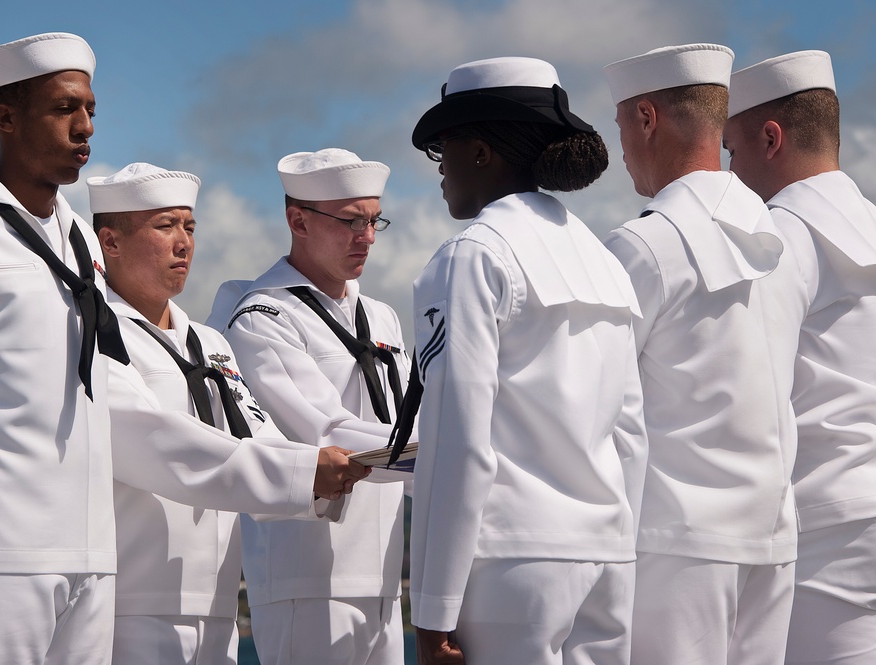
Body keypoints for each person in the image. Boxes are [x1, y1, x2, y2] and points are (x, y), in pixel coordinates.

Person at [0, 33, 363, 665]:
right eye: (63, 110)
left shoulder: (79, 241)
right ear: (4, 118)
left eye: (91, 111)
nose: (84, 128)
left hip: (92, 556)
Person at [401, 56, 647, 665]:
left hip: (508, 564)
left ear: (481, 153)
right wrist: (618, 542)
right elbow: (632, 434)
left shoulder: (471, 255)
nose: (440, 172)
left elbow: (459, 441)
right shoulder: (604, 260)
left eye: (445, 151)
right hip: (605, 556)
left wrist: (432, 608)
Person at [90, 163, 366, 664]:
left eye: (189, 228)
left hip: (216, 604)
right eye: (165, 226)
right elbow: (157, 443)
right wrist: (306, 472)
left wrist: (331, 467)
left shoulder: (209, 342)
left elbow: (257, 435)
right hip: (131, 604)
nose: (183, 243)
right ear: (110, 241)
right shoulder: (95, 338)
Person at [602, 44, 809, 664]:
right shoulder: (781, 238)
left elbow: (604, 409)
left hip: (678, 548)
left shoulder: (644, 243)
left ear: (647, 118)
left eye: (622, 128)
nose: (621, 152)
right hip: (773, 538)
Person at [212, 148, 413, 665]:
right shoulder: (262, 315)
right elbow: (326, 432)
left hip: (384, 568)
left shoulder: (382, 316)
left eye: (373, 221)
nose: (366, 238)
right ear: (297, 220)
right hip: (307, 571)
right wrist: (449, 453)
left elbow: (414, 417)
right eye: (350, 222)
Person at [725, 51, 876, 665]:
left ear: (771, 137)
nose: (730, 172)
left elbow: (747, 399)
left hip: (820, 526)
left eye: (731, 152)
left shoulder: (776, 238)